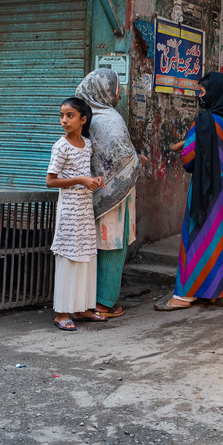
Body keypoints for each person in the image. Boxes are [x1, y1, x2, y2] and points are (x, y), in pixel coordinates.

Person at [155, 72, 223, 310]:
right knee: (219, 239)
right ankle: (212, 291)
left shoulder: (203, 122)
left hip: (203, 187)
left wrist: (196, 155)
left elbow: (189, 157)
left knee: (195, 237)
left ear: (215, 93)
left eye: (202, 93)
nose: (201, 97)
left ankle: (183, 296)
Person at [75, 68, 147, 319]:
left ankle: (82, 300)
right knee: (113, 244)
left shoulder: (83, 115)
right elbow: (122, 160)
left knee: (91, 245)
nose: (120, 93)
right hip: (114, 195)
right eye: (117, 88)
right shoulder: (110, 118)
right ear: (105, 90)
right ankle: (104, 303)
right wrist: (137, 160)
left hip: (87, 192)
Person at [46, 97, 107, 331]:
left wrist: (94, 179)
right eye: (62, 115)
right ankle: (61, 313)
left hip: (84, 209)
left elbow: (85, 171)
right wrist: (81, 180)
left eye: (69, 116)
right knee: (69, 258)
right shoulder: (60, 146)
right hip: (69, 210)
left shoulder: (87, 144)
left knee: (86, 257)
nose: (64, 120)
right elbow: (51, 180)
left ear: (83, 119)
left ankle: (82, 309)